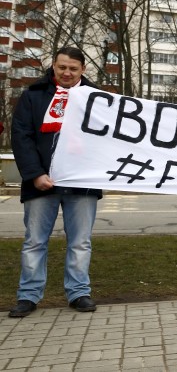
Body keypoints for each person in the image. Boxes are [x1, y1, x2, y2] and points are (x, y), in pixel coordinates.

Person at [8, 47, 103, 318]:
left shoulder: (98, 99)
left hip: (82, 183)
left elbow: (107, 141)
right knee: (35, 241)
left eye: (73, 68)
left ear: (83, 69)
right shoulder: (33, 95)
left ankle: (79, 292)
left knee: (80, 241)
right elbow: (21, 135)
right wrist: (35, 174)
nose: (67, 73)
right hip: (41, 182)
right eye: (62, 67)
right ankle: (28, 296)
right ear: (53, 66)